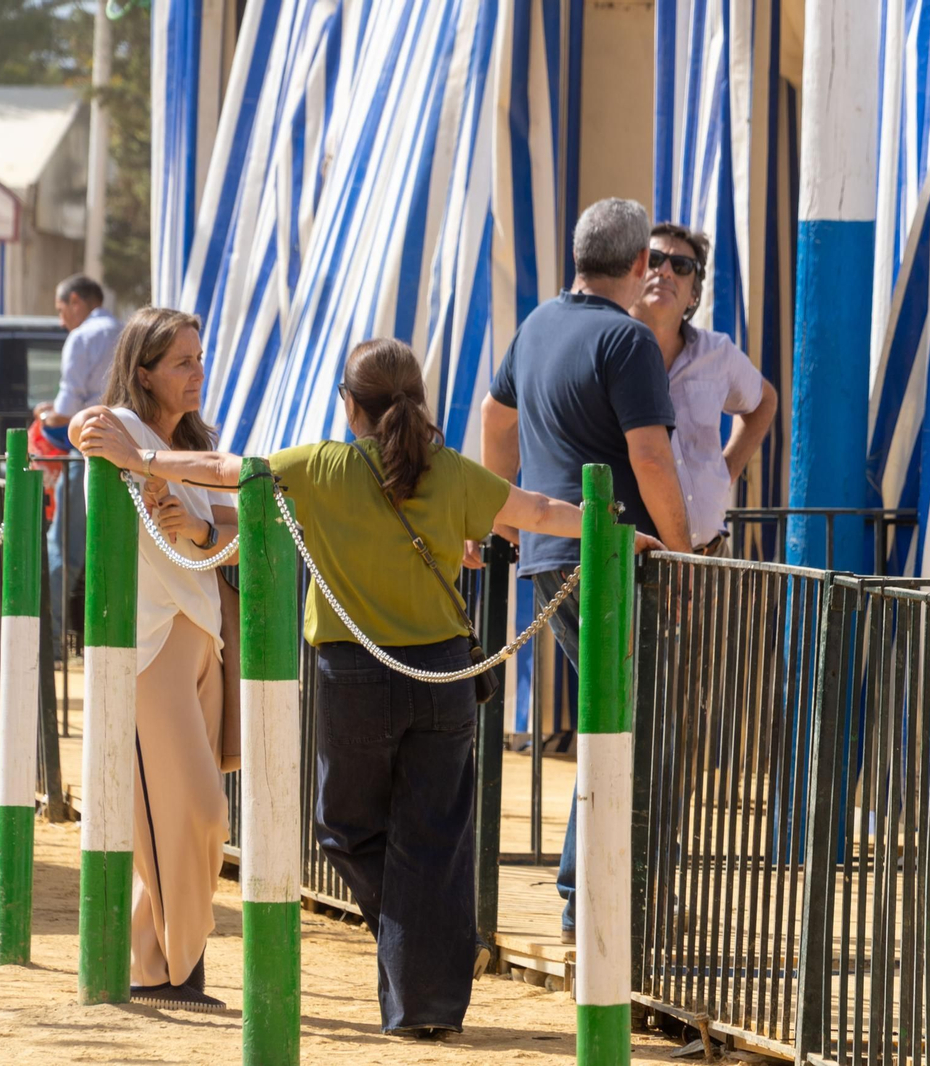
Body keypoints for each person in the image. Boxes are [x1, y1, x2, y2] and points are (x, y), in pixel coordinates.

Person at [76, 337, 661, 1038]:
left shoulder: (321, 465)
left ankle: (416, 944)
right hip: (444, 674)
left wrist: (139, 459)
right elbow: (537, 509)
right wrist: (617, 533)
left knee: (345, 830)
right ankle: (428, 995)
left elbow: (228, 470)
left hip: (354, 672)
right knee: (437, 838)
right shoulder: (448, 471)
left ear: (349, 404)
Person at [477, 196, 693, 943]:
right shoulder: (627, 342)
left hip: (547, 556)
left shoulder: (537, 324)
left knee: (613, 719)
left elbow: (494, 420)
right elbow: (651, 456)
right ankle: (597, 895)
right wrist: (685, 555)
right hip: (609, 557)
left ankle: (589, 889)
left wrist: (507, 519)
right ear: (640, 265)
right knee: (631, 723)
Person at [67, 308, 237, 1010]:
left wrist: (203, 525)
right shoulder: (125, 429)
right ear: (144, 371)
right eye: (182, 363)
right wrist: (92, 430)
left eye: (200, 358)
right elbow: (87, 428)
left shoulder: (186, 444)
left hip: (203, 639)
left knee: (180, 814)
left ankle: (165, 966)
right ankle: (165, 965)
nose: (197, 373)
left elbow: (245, 513)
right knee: (196, 812)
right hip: (151, 643)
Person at [631, 222, 778, 556]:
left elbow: (764, 400)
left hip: (710, 554)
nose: (665, 271)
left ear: (694, 293)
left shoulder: (717, 352)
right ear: (635, 273)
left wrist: (728, 470)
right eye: (654, 259)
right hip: (633, 560)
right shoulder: (608, 348)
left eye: (681, 266)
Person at [38, 274, 122, 656]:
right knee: (116, 554)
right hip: (130, 458)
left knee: (63, 551)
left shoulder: (82, 338)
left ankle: (52, 643)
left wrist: (46, 414)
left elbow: (68, 410)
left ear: (75, 301)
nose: (60, 321)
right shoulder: (125, 331)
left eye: (61, 310)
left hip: (87, 455)